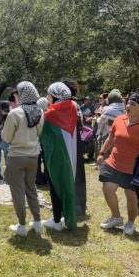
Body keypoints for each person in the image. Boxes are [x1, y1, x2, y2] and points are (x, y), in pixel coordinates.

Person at [97, 93, 139, 235]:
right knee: (108, 190)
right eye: (127, 102)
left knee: (131, 197)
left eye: (132, 104)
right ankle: (116, 217)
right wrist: (102, 153)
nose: (127, 106)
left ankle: (130, 223)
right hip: (114, 162)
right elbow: (111, 137)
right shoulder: (119, 119)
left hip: (133, 168)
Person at [2, 81, 44, 236]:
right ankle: (38, 222)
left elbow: (6, 137)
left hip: (16, 156)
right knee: (31, 188)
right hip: (33, 156)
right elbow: (40, 133)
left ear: (21, 95)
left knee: (18, 191)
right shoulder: (40, 112)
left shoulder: (15, 113)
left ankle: (21, 225)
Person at [41, 82, 78, 231]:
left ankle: (56, 221)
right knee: (68, 186)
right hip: (72, 154)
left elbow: (42, 136)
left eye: (49, 94)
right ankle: (66, 217)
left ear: (55, 96)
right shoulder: (73, 107)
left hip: (55, 157)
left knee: (55, 186)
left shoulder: (50, 113)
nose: (47, 97)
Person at [61, 77, 87, 218]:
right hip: (76, 139)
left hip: (69, 140)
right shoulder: (76, 104)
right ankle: (79, 206)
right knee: (78, 173)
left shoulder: (67, 104)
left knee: (71, 172)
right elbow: (81, 124)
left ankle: (71, 206)